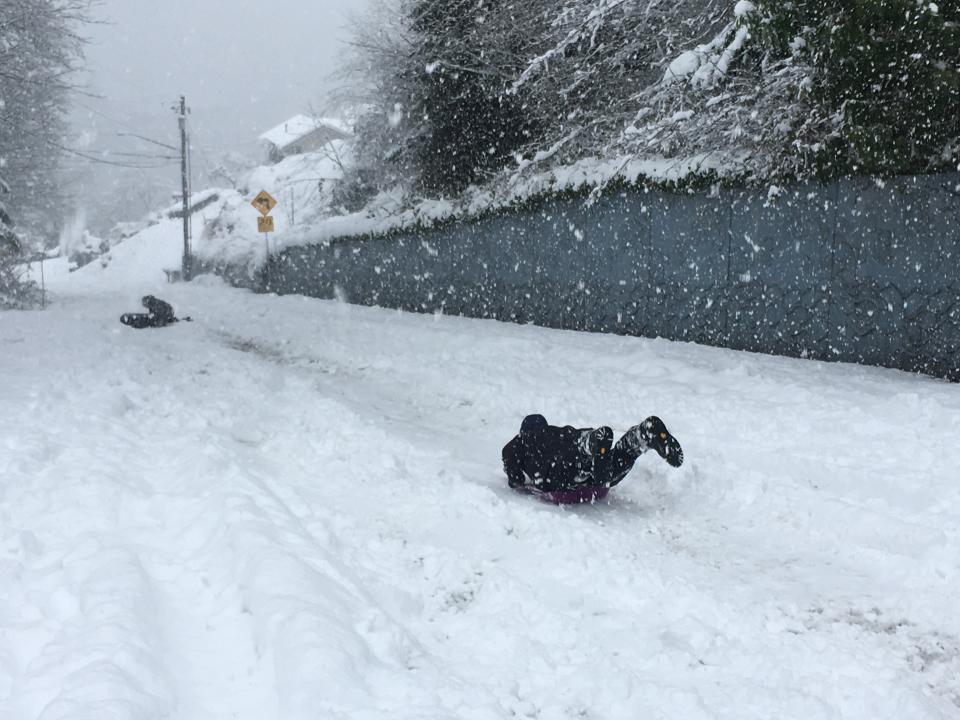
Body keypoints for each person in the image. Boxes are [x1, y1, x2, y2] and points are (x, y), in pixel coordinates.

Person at [502, 414, 683, 498]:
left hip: (557, 468)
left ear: (522, 431)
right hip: (575, 441)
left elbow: (515, 478)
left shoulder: (517, 445)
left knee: (578, 469)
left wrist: (517, 479)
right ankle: (641, 435)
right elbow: (569, 438)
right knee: (614, 458)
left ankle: (591, 450)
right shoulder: (556, 432)